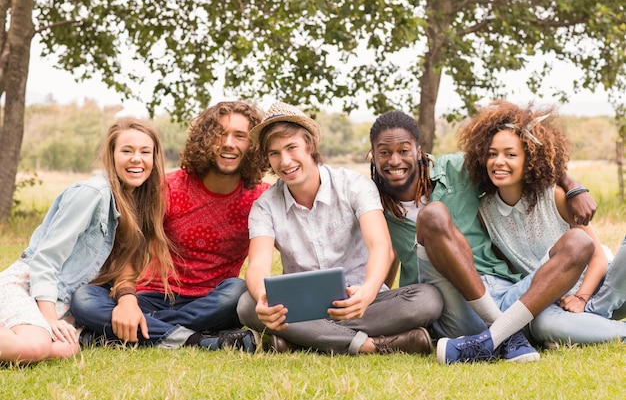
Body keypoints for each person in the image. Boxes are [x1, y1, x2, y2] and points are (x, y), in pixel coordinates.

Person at [368, 109, 596, 364]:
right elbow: (384, 253)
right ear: (373, 155)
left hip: (505, 291)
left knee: (580, 242)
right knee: (433, 215)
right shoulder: (373, 204)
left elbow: (522, 154)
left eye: (403, 150)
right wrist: (381, 300)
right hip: (452, 305)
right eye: (384, 152)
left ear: (418, 150)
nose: (395, 160)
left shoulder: (456, 169)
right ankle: (507, 335)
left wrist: (573, 185)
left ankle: (492, 337)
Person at [236, 101, 443, 355]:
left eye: (292, 148)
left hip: (364, 302)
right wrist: (262, 299)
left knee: (428, 299)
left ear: (310, 146)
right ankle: (369, 345)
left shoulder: (354, 186)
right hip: (302, 306)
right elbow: (257, 265)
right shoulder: (265, 206)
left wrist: (366, 293)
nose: (285, 161)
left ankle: (303, 339)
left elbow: (381, 248)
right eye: (274, 153)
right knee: (247, 304)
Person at [71, 101, 270, 351]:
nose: (228, 143)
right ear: (205, 139)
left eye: (239, 136)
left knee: (238, 292)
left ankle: (116, 334)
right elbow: (128, 255)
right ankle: (196, 339)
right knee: (84, 299)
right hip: (152, 296)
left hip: (213, 302)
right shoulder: (168, 187)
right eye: (220, 133)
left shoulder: (262, 198)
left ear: (253, 145)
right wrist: (128, 301)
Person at [0, 118, 174, 364]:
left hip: (62, 302)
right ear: (111, 155)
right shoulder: (92, 194)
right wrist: (48, 319)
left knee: (66, 349)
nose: (137, 159)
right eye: (127, 151)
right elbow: (45, 261)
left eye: (145, 152)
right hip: (30, 288)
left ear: (154, 158)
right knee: (35, 346)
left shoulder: (139, 201)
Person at [458, 99, 626, 344]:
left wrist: (582, 298)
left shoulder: (555, 196)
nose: (499, 162)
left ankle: (595, 314)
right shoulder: (484, 214)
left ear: (529, 159)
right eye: (492, 154)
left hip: (605, 286)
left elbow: (598, 257)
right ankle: (596, 324)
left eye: (510, 154)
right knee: (543, 325)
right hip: (556, 304)